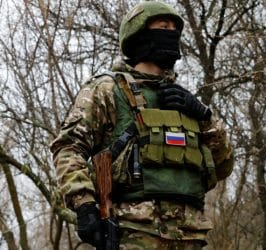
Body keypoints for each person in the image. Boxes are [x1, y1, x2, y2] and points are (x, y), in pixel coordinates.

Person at [50, 1, 233, 249]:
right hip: (134, 234)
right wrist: (84, 204)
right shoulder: (108, 90)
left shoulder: (186, 102)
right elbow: (68, 147)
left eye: (174, 30)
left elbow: (223, 167)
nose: (171, 35)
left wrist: (204, 116)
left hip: (191, 236)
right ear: (140, 34)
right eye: (163, 26)